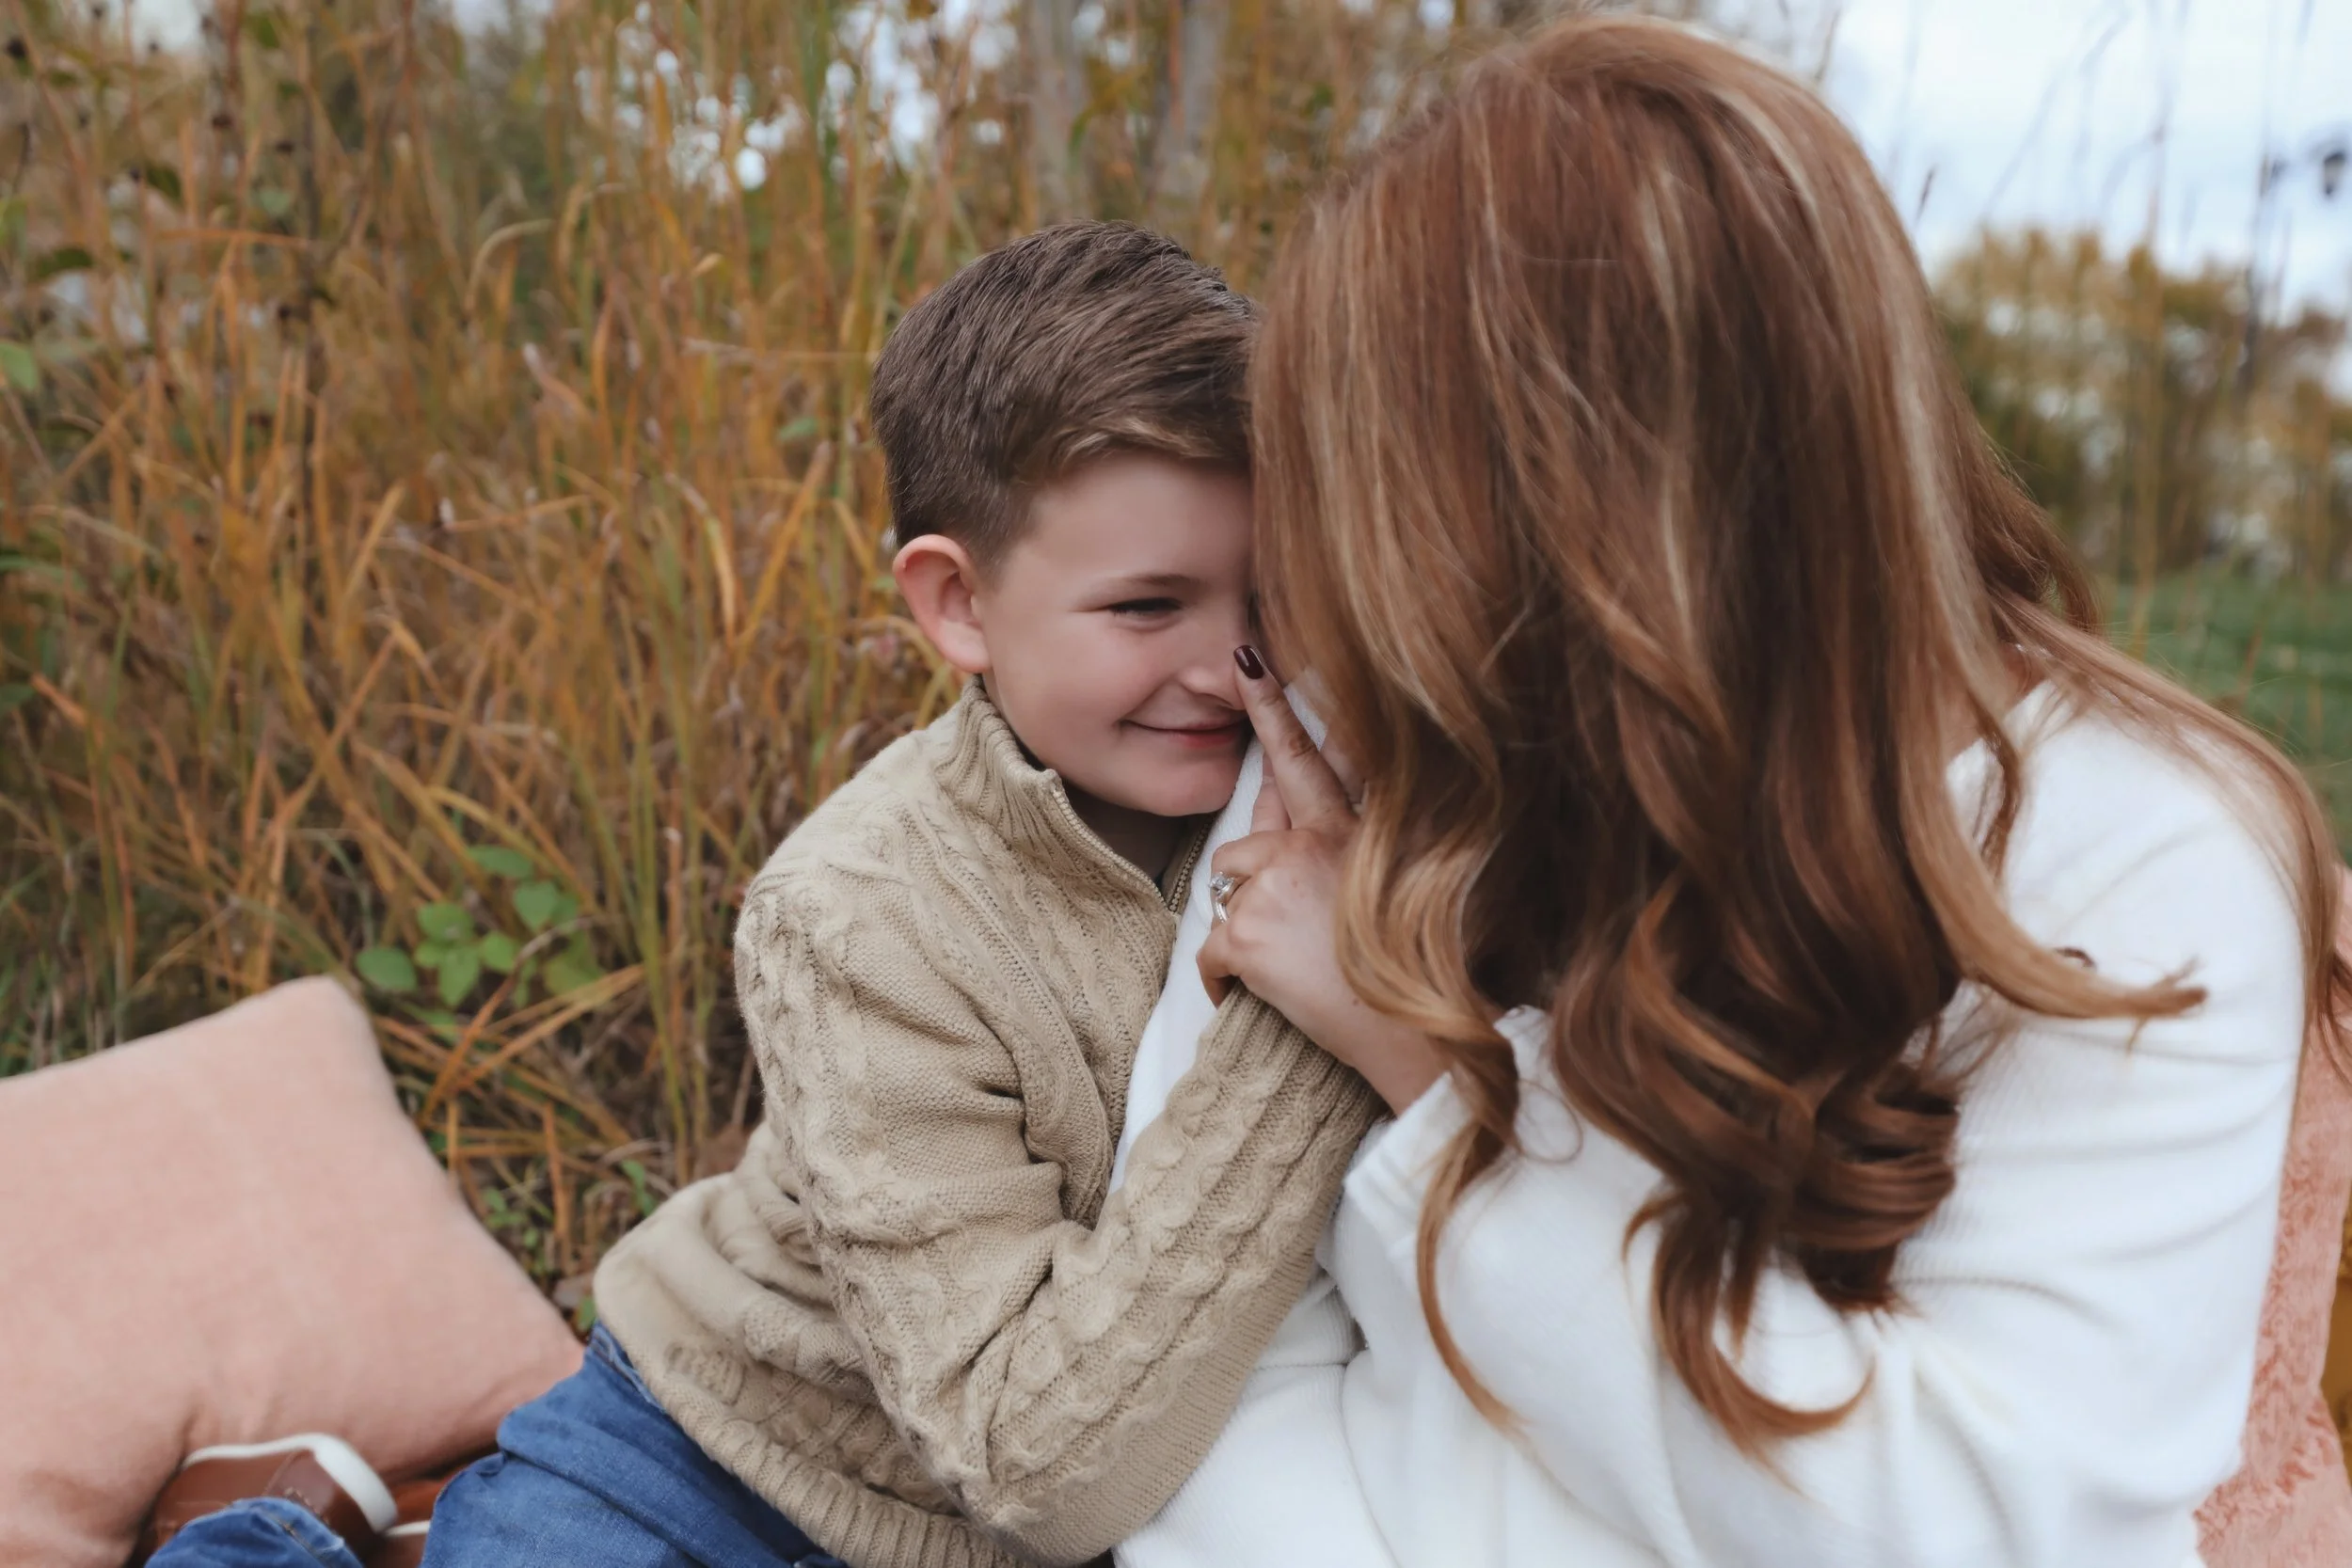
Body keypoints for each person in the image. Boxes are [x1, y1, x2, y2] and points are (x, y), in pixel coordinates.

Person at [1134, 16, 2349, 1568]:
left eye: (1372, 503)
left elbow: (1964, 1524)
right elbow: (1213, 1380)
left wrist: (1430, 1085)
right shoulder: (1355, 753)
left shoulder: (2135, 856)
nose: (1322, 594)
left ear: (1575, 522)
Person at [145, 221, 1378, 1568]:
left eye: (1267, 593)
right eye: (1148, 607)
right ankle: (271, 1544)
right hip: (715, 1458)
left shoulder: (1309, 794)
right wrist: (1317, 997)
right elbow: (1038, 1463)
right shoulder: (858, 912)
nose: (1229, 666)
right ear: (957, 601)